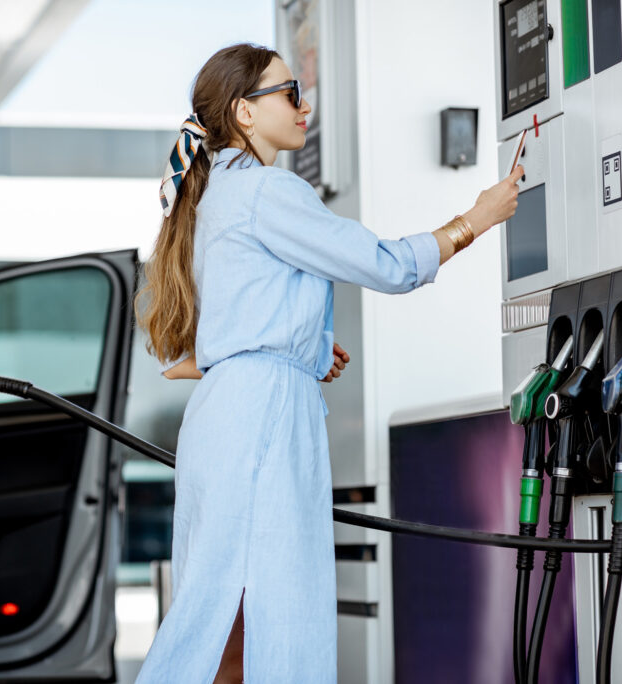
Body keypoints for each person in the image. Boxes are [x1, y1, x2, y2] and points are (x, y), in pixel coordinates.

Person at [134, 43, 521, 683]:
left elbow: (193, 355)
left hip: (226, 420)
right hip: (262, 422)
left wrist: (303, 351)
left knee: (212, 617)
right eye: (289, 93)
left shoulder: (211, 199)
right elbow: (387, 265)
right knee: (278, 615)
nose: (304, 104)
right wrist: (475, 219)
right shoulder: (266, 191)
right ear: (244, 113)